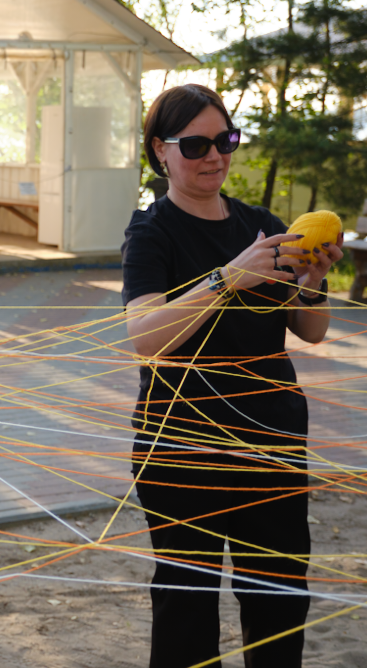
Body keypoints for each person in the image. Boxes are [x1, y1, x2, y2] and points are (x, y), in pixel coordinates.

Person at [121, 84, 339, 667]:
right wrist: (228, 278)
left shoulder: (263, 224)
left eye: (225, 140)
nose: (214, 155)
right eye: (195, 145)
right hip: (183, 447)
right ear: (160, 151)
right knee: (186, 610)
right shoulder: (151, 233)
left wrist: (312, 284)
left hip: (271, 442)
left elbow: (310, 330)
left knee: (278, 600)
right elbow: (145, 339)